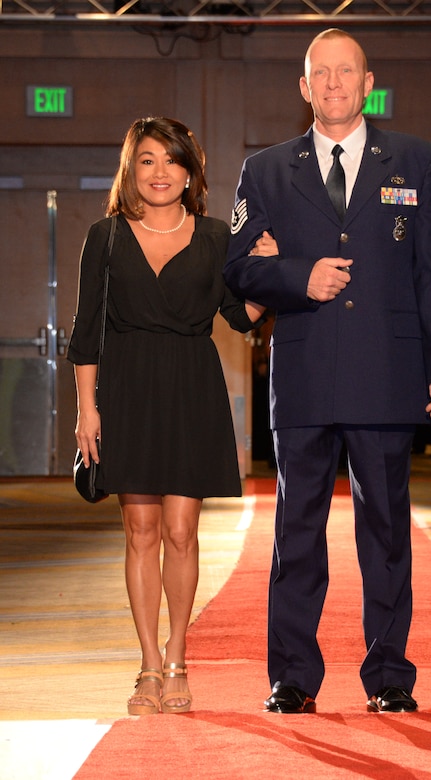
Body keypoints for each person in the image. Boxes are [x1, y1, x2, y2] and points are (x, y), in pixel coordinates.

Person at [224, 29, 431, 714]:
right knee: (295, 534)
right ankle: (293, 676)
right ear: (303, 87)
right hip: (302, 377)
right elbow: (238, 267)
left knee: (386, 533)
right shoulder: (265, 170)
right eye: (319, 73)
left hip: (388, 374)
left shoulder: (416, 162)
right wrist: (299, 275)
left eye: (345, 72)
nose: (332, 83)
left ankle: (389, 673)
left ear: (368, 83)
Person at [68, 117, 265, 716]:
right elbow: (86, 333)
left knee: (182, 532)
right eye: (147, 160)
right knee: (140, 532)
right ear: (132, 170)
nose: (159, 172)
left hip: (191, 390)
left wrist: (268, 272)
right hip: (126, 392)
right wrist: (86, 411)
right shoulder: (104, 237)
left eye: (171, 160)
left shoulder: (214, 238)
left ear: (190, 172)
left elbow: (241, 316)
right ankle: (148, 664)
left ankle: (179, 659)